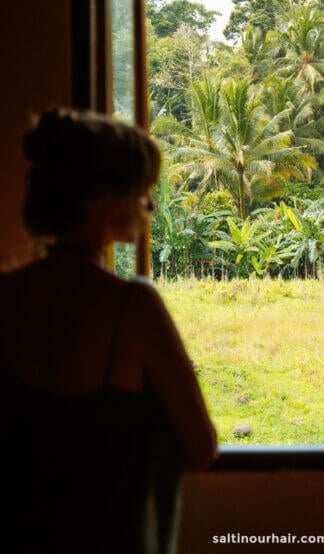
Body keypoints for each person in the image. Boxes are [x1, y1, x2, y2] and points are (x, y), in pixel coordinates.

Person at [0, 109, 217, 554]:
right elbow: (201, 447)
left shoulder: (6, 297)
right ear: (100, 198)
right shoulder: (134, 308)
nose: (148, 205)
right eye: (139, 191)